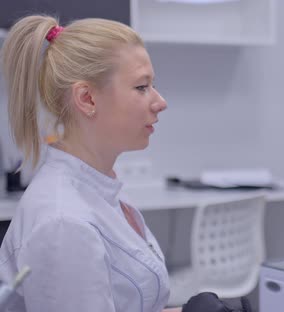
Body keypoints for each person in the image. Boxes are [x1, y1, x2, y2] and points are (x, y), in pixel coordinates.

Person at [0, 15, 183, 312]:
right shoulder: (64, 224)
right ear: (86, 99)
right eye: (141, 87)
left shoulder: (103, 190)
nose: (160, 101)